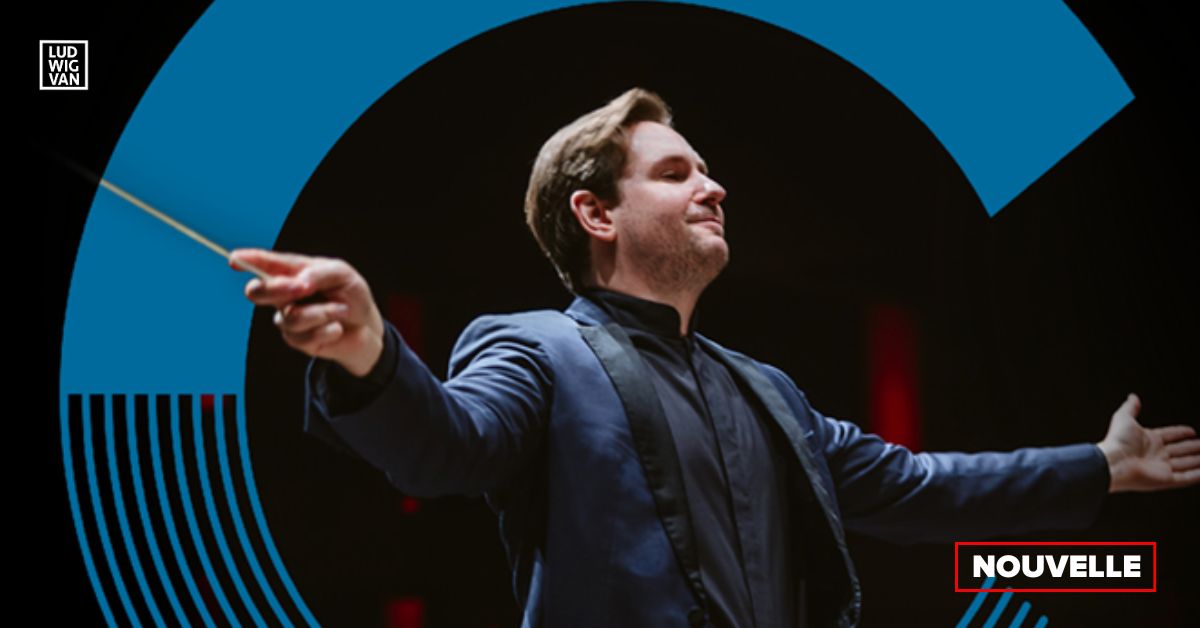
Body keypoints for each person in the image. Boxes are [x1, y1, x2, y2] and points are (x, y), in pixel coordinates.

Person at [232, 88, 1200, 628]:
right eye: (676, 172)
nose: (715, 185)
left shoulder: (767, 391)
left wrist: (1101, 466)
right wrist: (367, 350)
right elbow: (446, 445)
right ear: (596, 213)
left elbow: (918, 487)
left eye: (707, 168)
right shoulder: (534, 346)